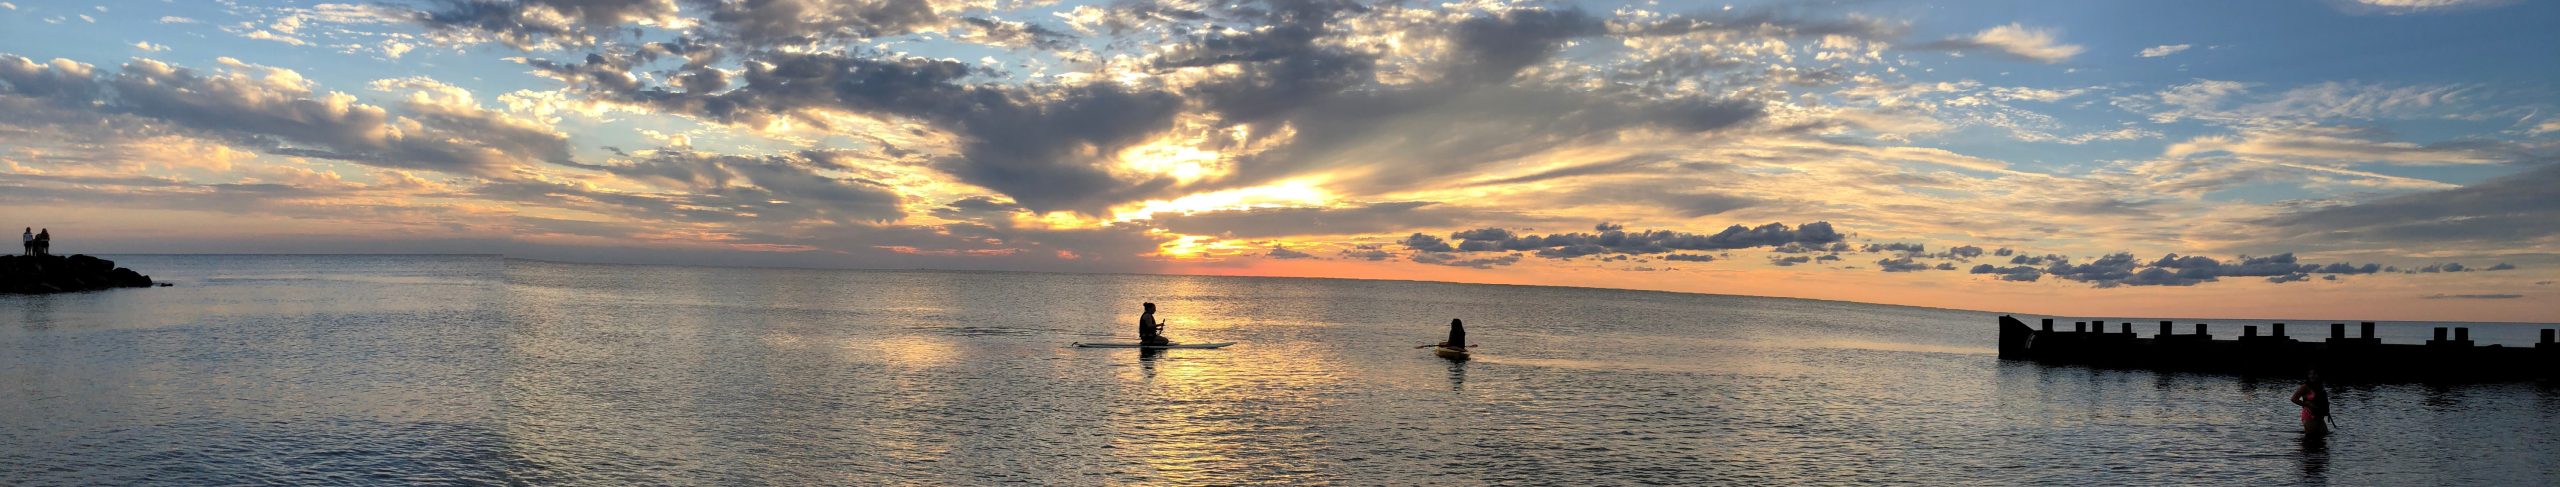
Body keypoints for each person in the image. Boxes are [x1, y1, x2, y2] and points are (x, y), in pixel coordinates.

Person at [2291, 369, 2332, 435]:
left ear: (2319, 375)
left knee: (2324, 435)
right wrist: (2306, 404)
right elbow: (2293, 399)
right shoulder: (2305, 387)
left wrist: (2326, 409)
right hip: (2309, 415)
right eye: (2310, 374)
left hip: (2319, 416)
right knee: (2311, 438)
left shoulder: (2321, 386)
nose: (2312, 376)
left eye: (2314, 374)